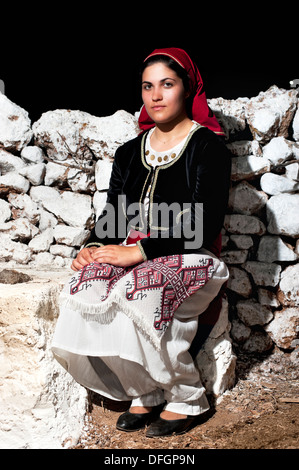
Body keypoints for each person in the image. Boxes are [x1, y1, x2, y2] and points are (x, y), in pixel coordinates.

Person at [51, 47, 231, 437]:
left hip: (193, 255)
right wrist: (92, 247)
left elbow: (206, 221)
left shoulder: (208, 147)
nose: (156, 95)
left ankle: (186, 396)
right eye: (148, 86)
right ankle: (144, 390)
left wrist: (140, 251)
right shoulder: (131, 152)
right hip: (137, 254)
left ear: (188, 89)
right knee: (86, 287)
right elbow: (115, 216)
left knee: (137, 292)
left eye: (167, 84)